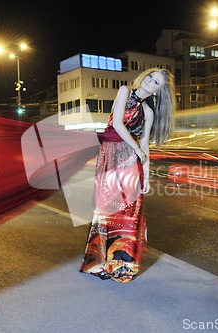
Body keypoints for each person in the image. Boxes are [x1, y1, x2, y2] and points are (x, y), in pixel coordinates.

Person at [80, 68, 176, 283]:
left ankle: (122, 264)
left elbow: (145, 146)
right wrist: (138, 150)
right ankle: (100, 261)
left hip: (130, 162)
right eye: (151, 77)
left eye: (156, 83)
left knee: (128, 213)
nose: (150, 82)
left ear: (157, 92)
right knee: (106, 209)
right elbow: (117, 125)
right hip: (110, 155)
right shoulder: (124, 91)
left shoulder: (148, 113)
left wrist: (147, 177)